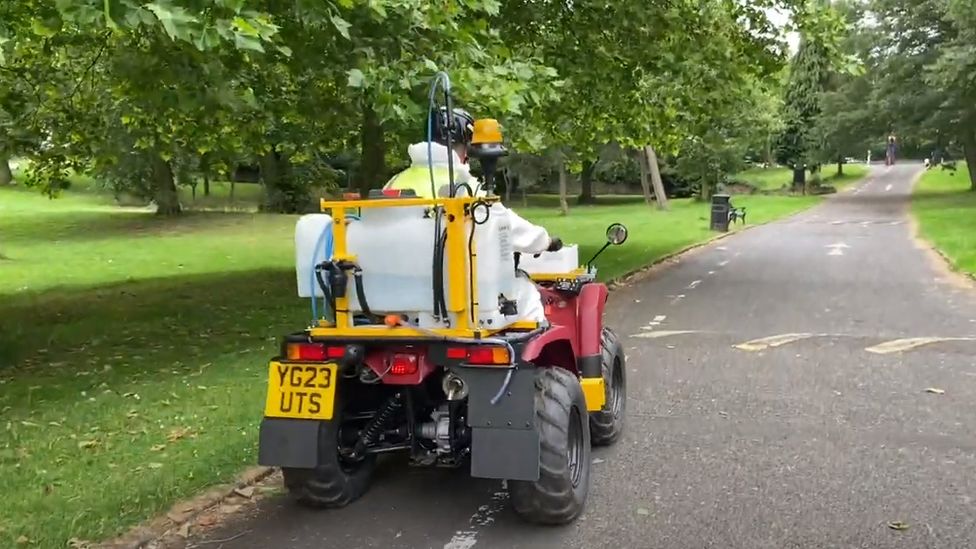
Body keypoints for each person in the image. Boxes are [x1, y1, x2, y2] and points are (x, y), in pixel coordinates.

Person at [383, 107, 561, 324]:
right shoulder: (465, 187)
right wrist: (545, 241)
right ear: (466, 147)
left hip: (400, 300)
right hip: (456, 300)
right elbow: (510, 228)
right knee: (526, 294)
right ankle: (533, 358)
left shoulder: (394, 184)